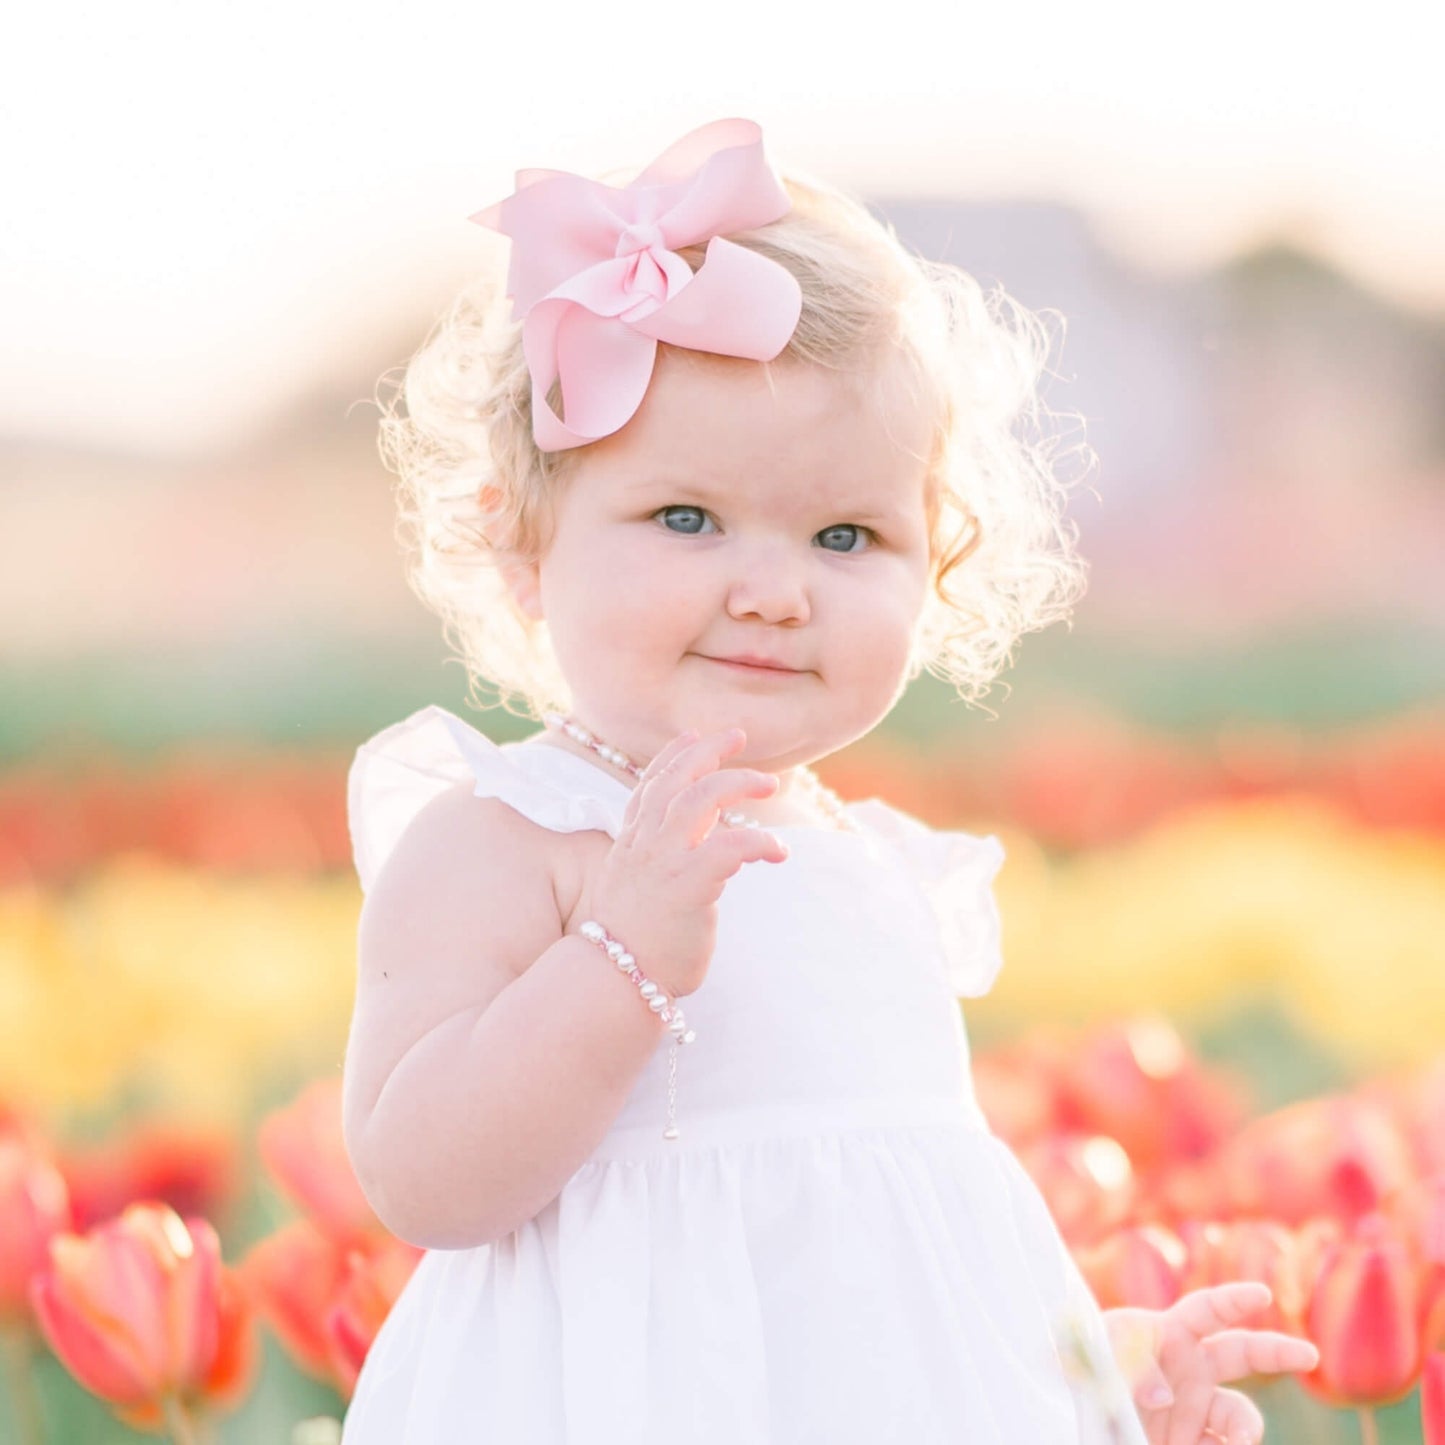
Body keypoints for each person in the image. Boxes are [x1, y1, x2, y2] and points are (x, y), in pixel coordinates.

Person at [338, 118, 1319, 1444]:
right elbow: (422, 1178)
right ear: (522, 544)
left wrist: (1093, 1372)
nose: (774, 588)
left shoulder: (873, 863)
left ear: (938, 568)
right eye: (685, 516)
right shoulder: (514, 838)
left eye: (846, 534)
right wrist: (617, 956)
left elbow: (896, 1243)